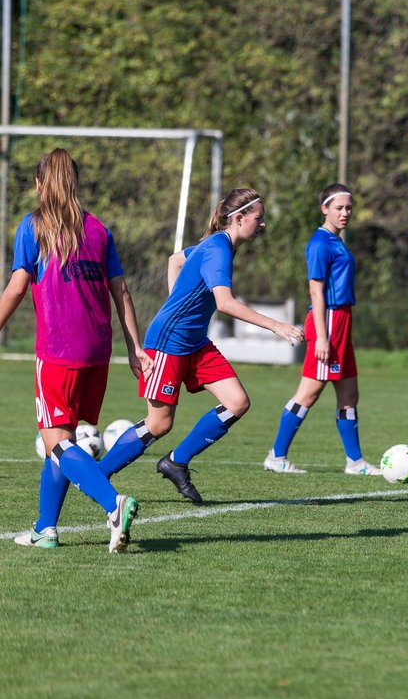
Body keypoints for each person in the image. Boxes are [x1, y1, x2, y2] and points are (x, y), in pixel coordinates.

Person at [95, 188, 303, 503]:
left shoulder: (219, 245)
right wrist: (276, 326)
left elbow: (175, 260)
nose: (262, 225)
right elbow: (225, 302)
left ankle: (175, 462)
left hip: (194, 343)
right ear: (239, 218)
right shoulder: (218, 247)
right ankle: (97, 476)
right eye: (258, 219)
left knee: (237, 402)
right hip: (168, 343)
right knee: (159, 424)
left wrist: (176, 298)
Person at [0, 148, 147, 552]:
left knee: (57, 442)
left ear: (39, 184)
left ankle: (112, 504)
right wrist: (135, 347)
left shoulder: (33, 227)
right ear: (76, 183)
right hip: (99, 351)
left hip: (59, 352)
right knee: (62, 441)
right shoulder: (98, 229)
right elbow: (122, 290)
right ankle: (45, 528)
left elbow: (15, 289)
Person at [263, 183, 381, 476]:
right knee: (309, 393)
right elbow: (316, 291)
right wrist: (323, 337)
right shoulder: (319, 243)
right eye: (339, 208)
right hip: (326, 320)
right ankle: (277, 456)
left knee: (349, 394)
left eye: (349, 208)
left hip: (342, 320)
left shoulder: (337, 241)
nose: (345, 213)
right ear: (324, 208)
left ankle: (355, 463)